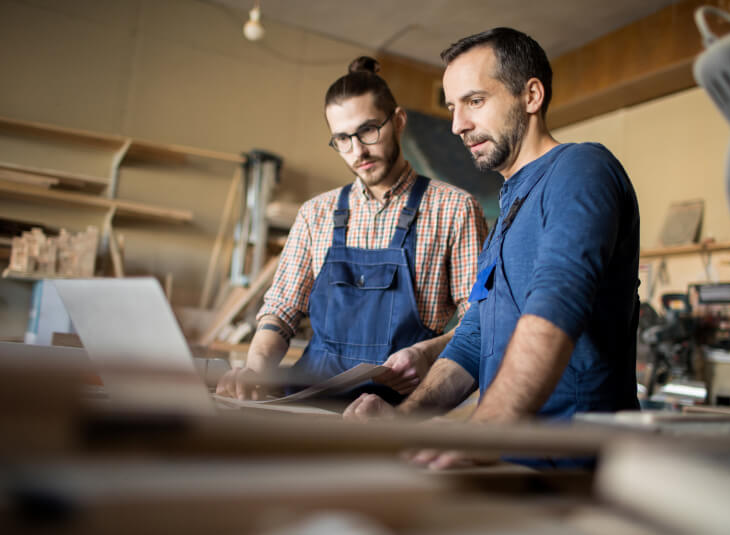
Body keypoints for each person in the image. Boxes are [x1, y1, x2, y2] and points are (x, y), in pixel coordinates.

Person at [343, 28, 641, 468]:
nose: (457, 124)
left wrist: (479, 433)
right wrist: (400, 422)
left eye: (475, 101)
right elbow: (473, 339)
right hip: (508, 462)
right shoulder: (509, 211)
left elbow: (555, 310)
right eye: (452, 107)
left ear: (532, 96)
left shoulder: (580, 169)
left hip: (573, 470)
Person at [216, 57, 488, 403]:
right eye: (342, 139)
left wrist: (427, 353)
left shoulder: (454, 208)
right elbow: (282, 310)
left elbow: (479, 321)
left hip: (400, 408)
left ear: (399, 121)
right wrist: (254, 370)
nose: (357, 151)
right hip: (308, 398)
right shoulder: (317, 213)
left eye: (368, 131)